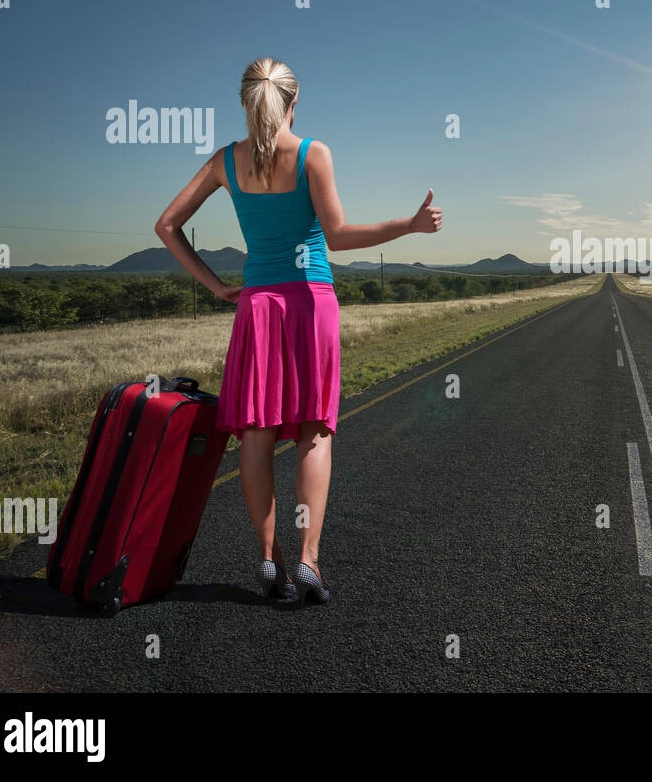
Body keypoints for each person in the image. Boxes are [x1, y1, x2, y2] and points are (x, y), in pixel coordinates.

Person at [155, 57, 442, 606]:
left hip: (258, 306)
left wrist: (217, 287)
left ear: (246, 102)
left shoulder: (225, 161)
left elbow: (166, 226)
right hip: (311, 302)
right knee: (313, 433)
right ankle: (308, 562)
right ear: (293, 102)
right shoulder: (313, 154)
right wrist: (406, 226)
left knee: (257, 434)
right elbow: (336, 236)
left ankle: (270, 561)